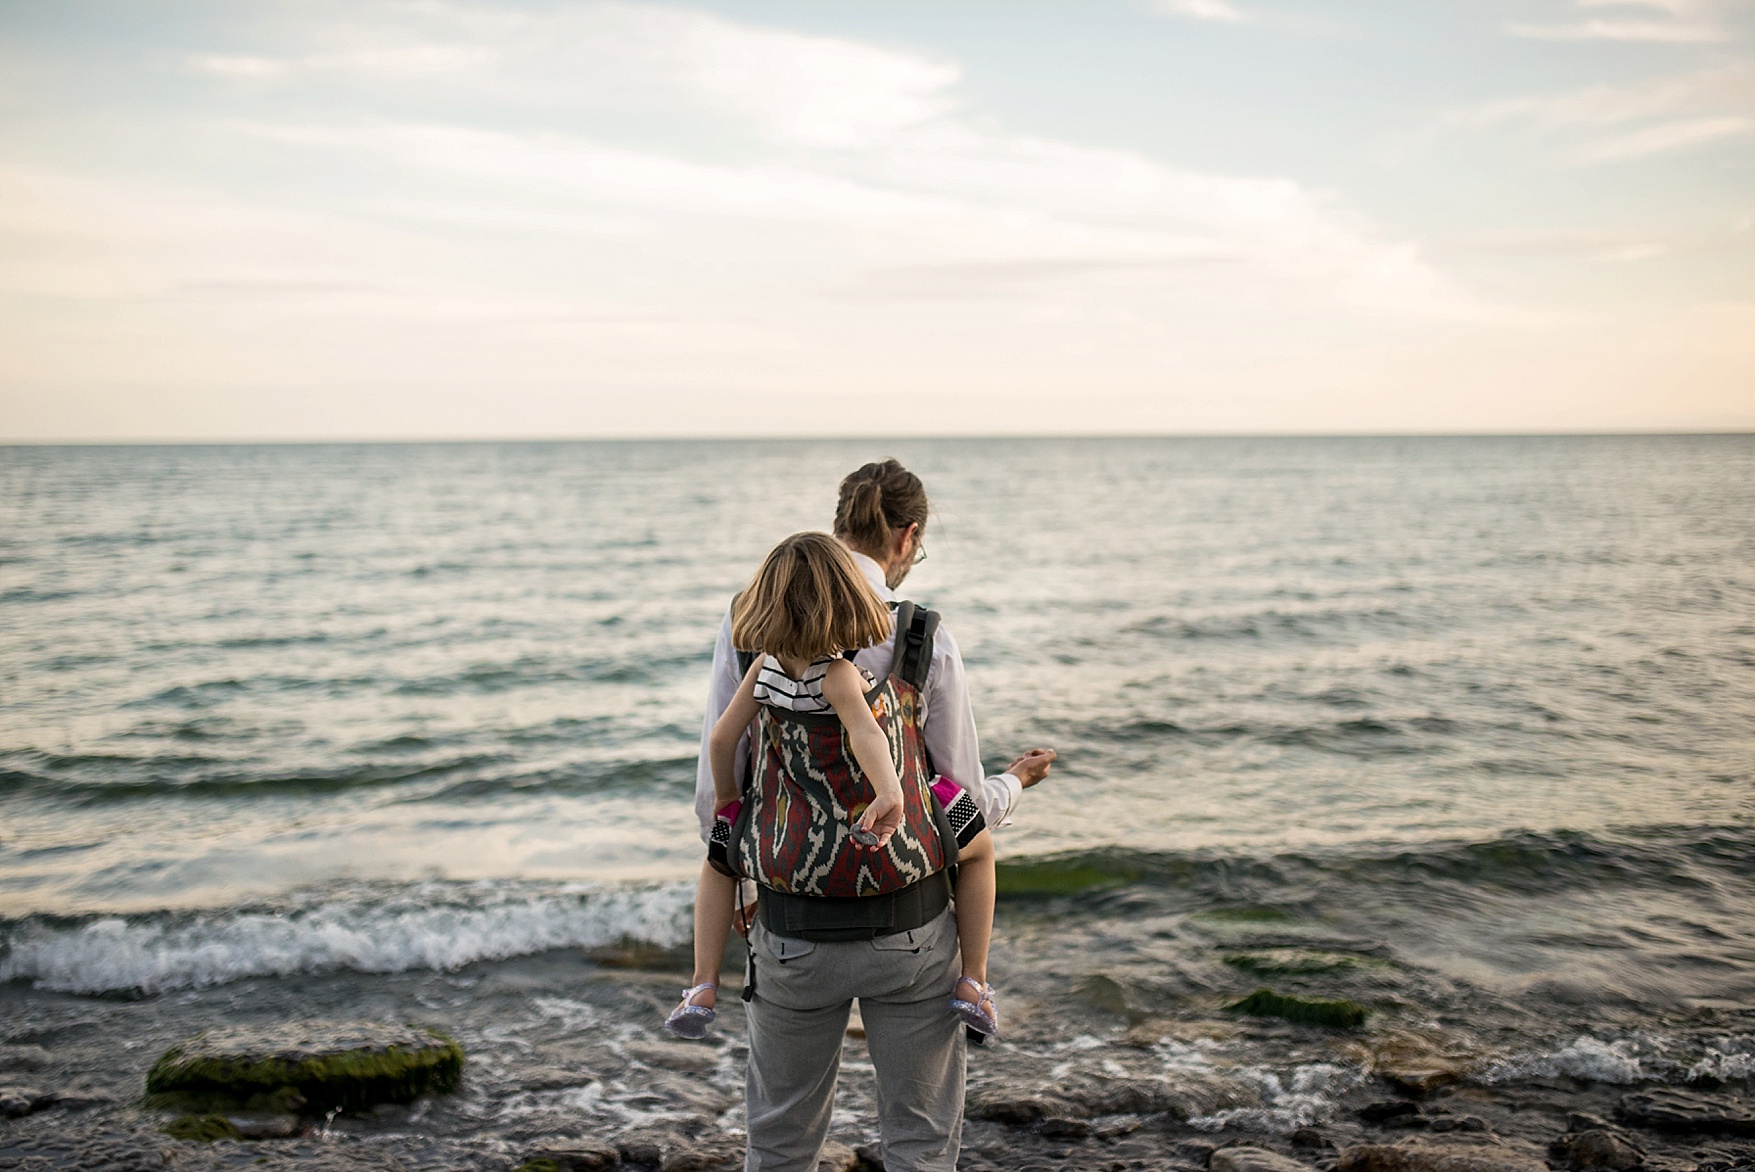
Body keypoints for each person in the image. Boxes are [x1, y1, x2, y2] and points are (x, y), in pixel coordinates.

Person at [687, 459, 1054, 1172]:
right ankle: (977, 984)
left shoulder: (750, 629)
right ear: (906, 537)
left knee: (780, 1145)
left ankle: (695, 989)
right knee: (919, 1143)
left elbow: (719, 793)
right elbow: (959, 804)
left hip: (791, 930)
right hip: (909, 930)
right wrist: (1014, 783)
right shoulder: (919, 634)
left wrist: (740, 879)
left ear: (835, 526)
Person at [666, 532, 1001, 1042]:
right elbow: (868, 735)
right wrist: (891, 794)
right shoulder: (843, 673)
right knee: (976, 841)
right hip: (895, 883)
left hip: (790, 887)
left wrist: (730, 806)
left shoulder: (762, 669)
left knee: (717, 864)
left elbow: (722, 740)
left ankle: (702, 985)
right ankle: (974, 981)